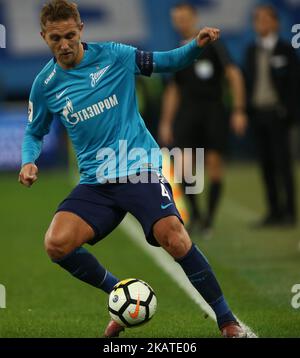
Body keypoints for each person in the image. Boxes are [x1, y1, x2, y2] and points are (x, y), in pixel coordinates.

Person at [19, 0, 246, 338]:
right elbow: (34, 132)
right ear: (43, 37)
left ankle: (227, 321)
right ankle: (121, 294)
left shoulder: (115, 55)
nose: (64, 44)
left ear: (81, 29)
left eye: (69, 35)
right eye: (55, 39)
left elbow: (165, 62)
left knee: (174, 236)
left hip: (137, 166)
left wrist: (194, 48)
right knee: (57, 244)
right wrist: (28, 160)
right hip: (96, 181)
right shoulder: (45, 84)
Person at [159, 3, 247, 237]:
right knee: (184, 166)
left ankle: (209, 218)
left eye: (185, 18)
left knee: (214, 164)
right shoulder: (179, 50)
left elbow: (233, 74)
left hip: (213, 111)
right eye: (177, 19)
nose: (181, 22)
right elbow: (173, 89)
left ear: (194, 17)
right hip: (187, 114)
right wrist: (166, 122)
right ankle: (196, 215)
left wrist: (239, 109)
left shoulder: (212, 43)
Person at [244, 5, 299, 227]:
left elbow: (294, 84)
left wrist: (289, 111)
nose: (262, 24)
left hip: (278, 114)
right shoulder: (251, 50)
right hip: (258, 113)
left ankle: (290, 212)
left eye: (266, 19)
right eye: (258, 20)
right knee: (265, 164)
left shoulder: (286, 50)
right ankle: (273, 211)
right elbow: (248, 81)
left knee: (283, 164)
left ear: (275, 23)